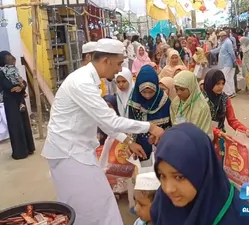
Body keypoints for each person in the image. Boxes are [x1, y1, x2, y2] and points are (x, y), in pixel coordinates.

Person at [42, 39, 165, 225]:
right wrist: (150, 127)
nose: (118, 70)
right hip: (69, 153)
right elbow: (110, 120)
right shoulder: (82, 82)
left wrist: (127, 140)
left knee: (101, 203)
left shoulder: (89, 79)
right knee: (88, 207)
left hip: (77, 152)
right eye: (118, 64)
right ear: (105, 60)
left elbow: (101, 119)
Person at [151, 123, 249, 225]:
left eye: (179, 177)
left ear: (202, 169)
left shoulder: (241, 219)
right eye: (162, 176)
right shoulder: (162, 203)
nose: (168, 189)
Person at [0, 51, 35, 160]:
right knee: (15, 125)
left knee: (24, 122)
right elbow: (7, 86)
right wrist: (19, 86)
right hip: (10, 101)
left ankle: (29, 148)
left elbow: (22, 81)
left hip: (20, 99)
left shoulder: (12, 69)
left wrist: (21, 87)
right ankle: (20, 152)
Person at [128, 65, 171, 161]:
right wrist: (132, 143)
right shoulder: (134, 102)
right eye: (144, 92)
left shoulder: (164, 101)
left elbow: (171, 125)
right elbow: (131, 125)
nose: (147, 96)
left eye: (151, 92)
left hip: (162, 146)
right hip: (140, 147)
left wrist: (161, 135)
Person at [203, 69, 249, 140]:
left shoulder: (225, 98)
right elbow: (201, 123)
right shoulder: (201, 99)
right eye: (217, 84)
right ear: (210, 83)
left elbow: (232, 120)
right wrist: (217, 132)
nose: (221, 86)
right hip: (203, 136)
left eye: (223, 83)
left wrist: (245, 130)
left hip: (220, 136)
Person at [171, 71, 213, 139]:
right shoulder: (175, 103)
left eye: (182, 89)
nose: (178, 93)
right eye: (176, 89)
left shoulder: (202, 107)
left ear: (191, 87)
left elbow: (204, 133)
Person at [209, 31, 237, 97]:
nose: (220, 38)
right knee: (229, 78)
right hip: (224, 63)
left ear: (224, 36)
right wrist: (210, 51)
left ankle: (228, 93)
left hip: (227, 63)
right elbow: (218, 49)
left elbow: (231, 53)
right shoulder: (223, 43)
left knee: (224, 78)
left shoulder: (228, 42)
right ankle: (231, 92)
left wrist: (234, 61)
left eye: (221, 36)